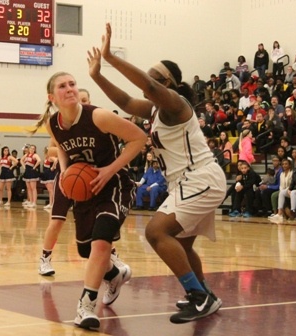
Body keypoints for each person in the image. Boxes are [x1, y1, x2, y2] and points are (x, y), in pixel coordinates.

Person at [88, 23, 227, 324]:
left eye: (154, 75)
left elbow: (149, 88)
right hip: (187, 182)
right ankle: (205, 295)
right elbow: (125, 102)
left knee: (155, 232)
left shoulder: (175, 105)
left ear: (169, 83)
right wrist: (97, 76)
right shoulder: (153, 110)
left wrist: (112, 59)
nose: (147, 79)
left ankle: (198, 297)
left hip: (201, 177)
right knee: (184, 245)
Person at [32, 70, 147, 330]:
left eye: (73, 83)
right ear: (52, 97)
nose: (70, 88)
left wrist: (110, 169)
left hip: (113, 185)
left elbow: (139, 138)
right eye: (63, 86)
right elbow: (61, 146)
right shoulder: (53, 123)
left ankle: (85, 306)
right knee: (86, 250)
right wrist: (64, 171)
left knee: (101, 243)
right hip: (85, 192)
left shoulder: (98, 116)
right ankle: (114, 275)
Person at [270, 154, 296, 221]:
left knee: (293, 192)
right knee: (282, 193)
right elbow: (292, 182)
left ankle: (293, 212)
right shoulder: (295, 171)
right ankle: (279, 213)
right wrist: (289, 189)